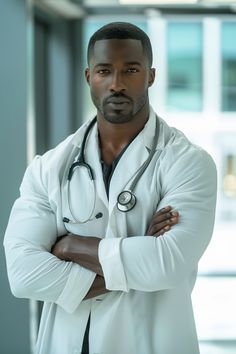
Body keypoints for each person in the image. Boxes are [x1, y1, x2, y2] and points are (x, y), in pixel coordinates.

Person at [4, 22, 217, 354]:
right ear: (89, 76)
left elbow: (168, 264)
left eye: (130, 70)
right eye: (105, 70)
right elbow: (23, 275)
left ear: (150, 75)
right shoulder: (49, 167)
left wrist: (70, 246)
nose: (117, 84)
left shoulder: (188, 162)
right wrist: (138, 250)